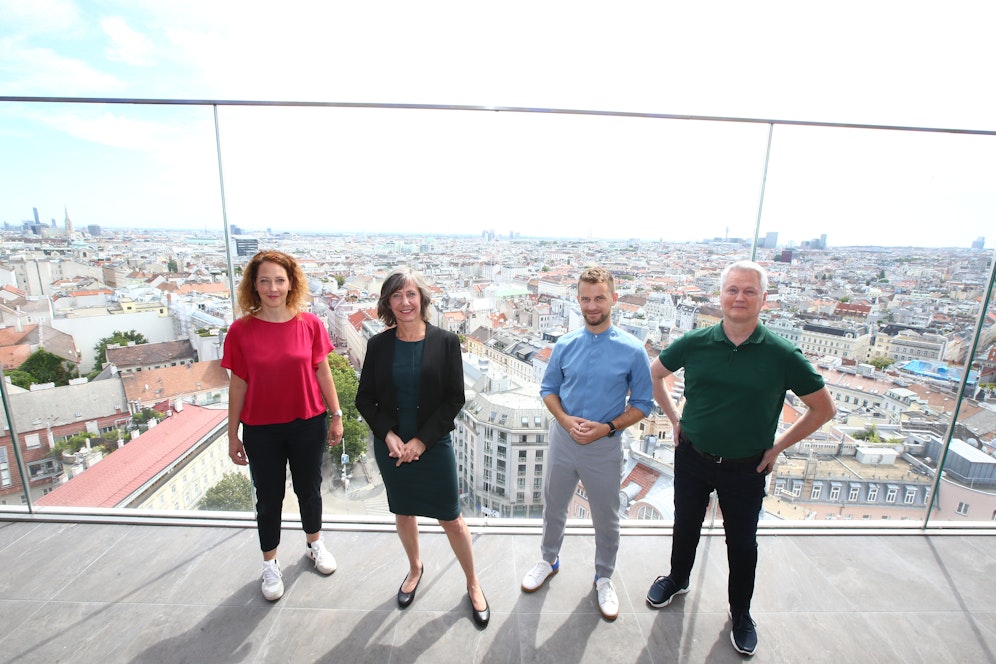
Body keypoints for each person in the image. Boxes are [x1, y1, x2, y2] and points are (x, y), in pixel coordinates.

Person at [644, 260, 836, 656]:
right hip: (693, 455)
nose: (739, 297)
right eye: (732, 289)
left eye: (749, 291)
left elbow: (823, 409)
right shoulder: (695, 342)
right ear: (720, 295)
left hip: (747, 466)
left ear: (764, 299)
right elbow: (654, 374)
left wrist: (778, 446)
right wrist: (674, 419)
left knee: (743, 544)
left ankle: (741, 612)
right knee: (686, 526)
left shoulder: (782, 355)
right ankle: (678, 578)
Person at [355, 267, 490, 628]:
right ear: (388, 303)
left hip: (433, 445)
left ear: (423, 300)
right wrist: (388, 435)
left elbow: (453, 399)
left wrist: (421, 441)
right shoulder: (378, 345)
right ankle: (415, 568)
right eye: (396, 296)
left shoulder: (446, 342)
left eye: (411, 294)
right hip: (393, 448)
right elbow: (365, 400)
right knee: (403, 512)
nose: (404, 302)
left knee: (452, 519)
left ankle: (473, 582)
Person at [520, 266, 653, 621]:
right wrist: (564, 421)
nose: (592, 306)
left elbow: (643, 403)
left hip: (604, 445)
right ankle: (548, 559)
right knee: (554, 505)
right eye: (585, 298)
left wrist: (606, 427)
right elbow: (548, 390)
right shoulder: (565, 344)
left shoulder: (633, 350)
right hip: (563, 439)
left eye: (599, 298)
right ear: (577, 300)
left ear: (613, 298)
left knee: (607, 517)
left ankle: (604, 576)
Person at [223, 250, 344, 601]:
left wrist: (335, 414)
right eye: (265, 280)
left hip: (307, 421)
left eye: (279, 279)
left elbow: (322, 370)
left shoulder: (309, 324)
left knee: (309, 489)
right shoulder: (241, 330)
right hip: (261, 428)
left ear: (291, 283)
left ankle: (314, 543)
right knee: (269, 498)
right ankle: (270, 563)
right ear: (254, 286)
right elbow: (238, 383)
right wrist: (232, 433)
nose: (273, 287)